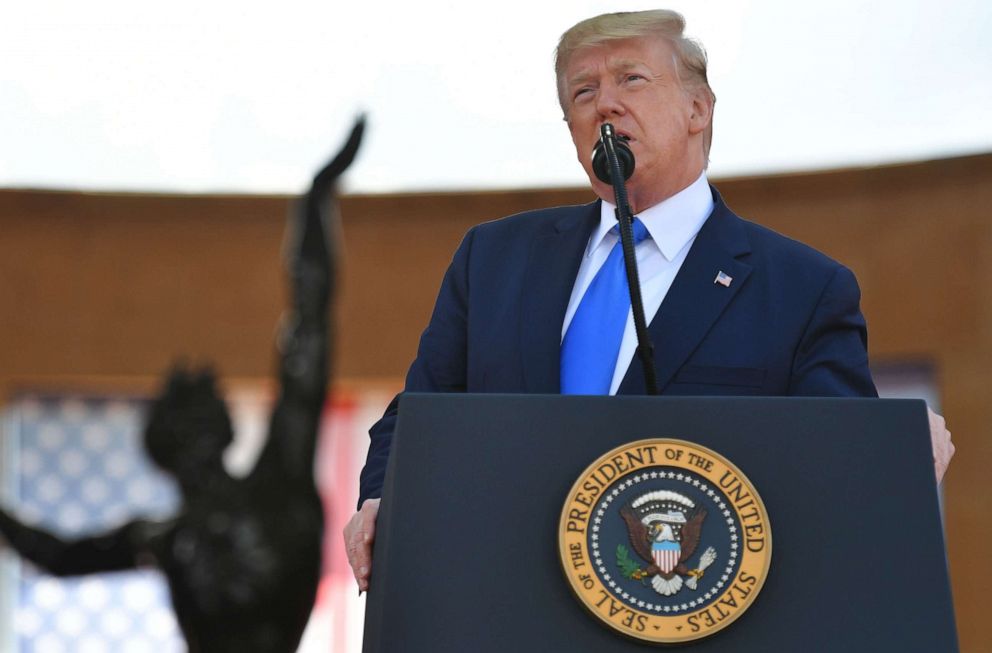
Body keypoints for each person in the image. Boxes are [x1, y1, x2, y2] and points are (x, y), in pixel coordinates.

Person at [344, 10, 954, 592]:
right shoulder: (493, 259)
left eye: (631, 78)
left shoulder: (800, 289)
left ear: (698, 108)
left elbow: (832, 468)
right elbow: (415, 418)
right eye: (583, 92)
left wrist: (890, 448)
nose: (605, 102)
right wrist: (381, 500)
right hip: (501, 602)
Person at [0, 120, 364, 651]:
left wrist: (315, 198)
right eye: (203, 410)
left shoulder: (260, 487)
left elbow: (310, 323)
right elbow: (57, 556)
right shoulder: (181, 530)